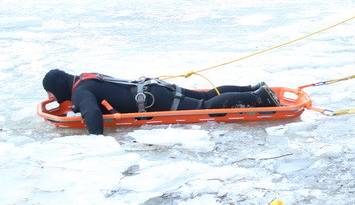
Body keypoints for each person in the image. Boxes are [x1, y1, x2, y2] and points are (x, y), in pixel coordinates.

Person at [43, 69, 280, 135]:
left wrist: (95, 143)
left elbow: (93, 115)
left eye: (50, 94)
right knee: (206, 95)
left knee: (205, 108)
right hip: (152, 90)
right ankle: (253, 89)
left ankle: (259, 98)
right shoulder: (84, 79)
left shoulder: (80, 91)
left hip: (155, 100)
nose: (50, 99)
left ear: (58, 88)